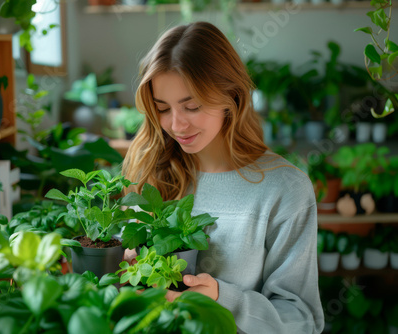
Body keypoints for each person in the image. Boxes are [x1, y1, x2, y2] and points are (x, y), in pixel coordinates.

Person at [122, 21, 324, 333]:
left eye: (192, 106)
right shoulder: (151, 172)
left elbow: (302, 321)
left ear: (230, 96)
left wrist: (222, 298)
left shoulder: (284, 188)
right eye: (162, 109)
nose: (176, 125)